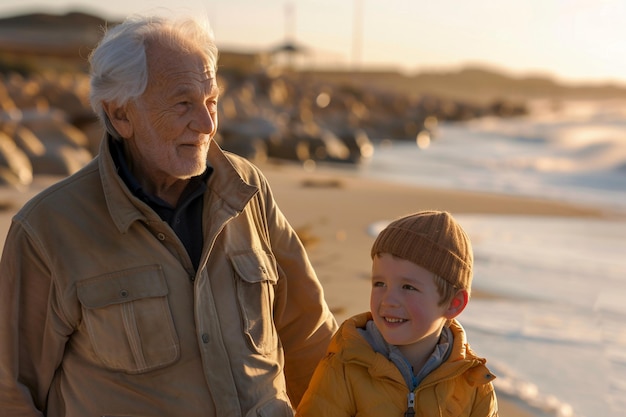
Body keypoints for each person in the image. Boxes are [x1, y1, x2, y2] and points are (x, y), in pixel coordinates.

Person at [0, 14, 337, 416]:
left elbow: (311, 337)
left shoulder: (248, 190)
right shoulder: (48, 229)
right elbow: (11, 389)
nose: (207, 123)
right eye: (183, 104)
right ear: (121, 115)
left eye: (211, 101)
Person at [296, 210, 498, 417]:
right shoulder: (346, 365)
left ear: (454, 304)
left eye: (408, 287)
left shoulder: (473, 382)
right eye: (380, 283)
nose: (388, 300)